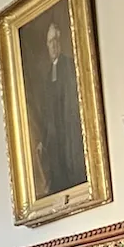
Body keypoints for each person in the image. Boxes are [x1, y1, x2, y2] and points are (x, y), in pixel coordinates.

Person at [29, 14, 86, 197]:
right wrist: (42, 141)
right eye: (49, 42)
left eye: (55, 40)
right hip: (54, 137)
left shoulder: (69, 65)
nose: (53, 45)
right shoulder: (47, 78)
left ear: (60, 42)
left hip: (69, 131)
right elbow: (46, 114)